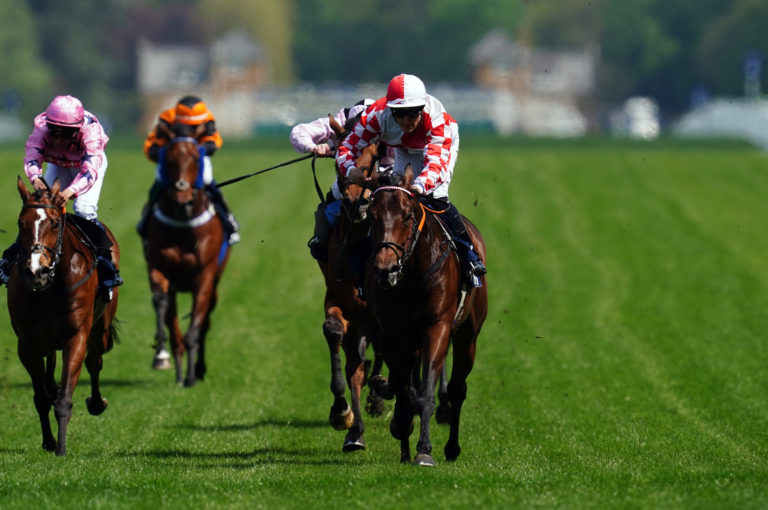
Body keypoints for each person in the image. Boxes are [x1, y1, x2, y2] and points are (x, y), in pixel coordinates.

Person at [336, 74, 487, 287]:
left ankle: (468, 255)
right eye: (399, 114)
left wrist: (417, 186)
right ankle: (368, 264)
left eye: (413, 113)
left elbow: (436, 166)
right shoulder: (376, 115)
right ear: (390, 110)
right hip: (404, 149)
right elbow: (346, 147)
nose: (407, 120)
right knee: (391, 204)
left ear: (422, 109)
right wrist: (351, 171)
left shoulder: (437, 122)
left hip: (436, 149)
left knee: (435, 197)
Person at [0, 95, 123, 296]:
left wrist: (69, 192)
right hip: (59, 163)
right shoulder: (41, 129)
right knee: (40, 211)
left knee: (83, 209)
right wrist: (36, 178)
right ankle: (9, 260)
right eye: (54, 132)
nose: (57, 139)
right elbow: (32, 155)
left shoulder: (92, 133)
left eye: (63, 134)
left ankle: (105, 266)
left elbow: (90, 171)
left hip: (88, 167)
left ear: (76, 129)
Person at [291, 99, 393, 262]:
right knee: (327, 210)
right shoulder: (341, 120)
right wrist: (314, 147)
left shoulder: (389, 124)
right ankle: (322, 246)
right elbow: (298, 132)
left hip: (385, 176)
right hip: (346, 179)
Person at [137, 95, 240, 244]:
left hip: (197, 159)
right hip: (171, 161)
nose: (193, 128)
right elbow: (152, 146)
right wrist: (173, 154)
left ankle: (228, 219)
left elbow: (214, 141)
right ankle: (146, 222)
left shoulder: (207, 117)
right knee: (159, 184)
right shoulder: (167, 118)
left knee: (208, 181)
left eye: (196, 125)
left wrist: (194, 152)